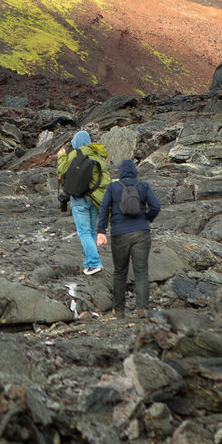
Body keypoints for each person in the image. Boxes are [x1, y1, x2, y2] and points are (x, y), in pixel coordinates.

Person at [97, 158, 161, 317]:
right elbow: (156, 206)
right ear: (134, 171)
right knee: (141, 272)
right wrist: (148, 218)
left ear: (120, 172)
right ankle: (142, 309)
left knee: (119, 272)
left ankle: (118, 310)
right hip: (141, 232)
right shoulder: (143, 186)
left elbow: (104, 208)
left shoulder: (113, 187)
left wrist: (101, 231)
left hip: (119, 233)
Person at [56, 130, 111, 276]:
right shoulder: (97, 156)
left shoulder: (74, 154)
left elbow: (62, 170)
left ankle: (94, 263)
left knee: (84, 232)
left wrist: (61, 156)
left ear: (75, 142)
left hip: (79, 199)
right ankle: (88, 263)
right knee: (91, 231)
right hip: (94, 199)